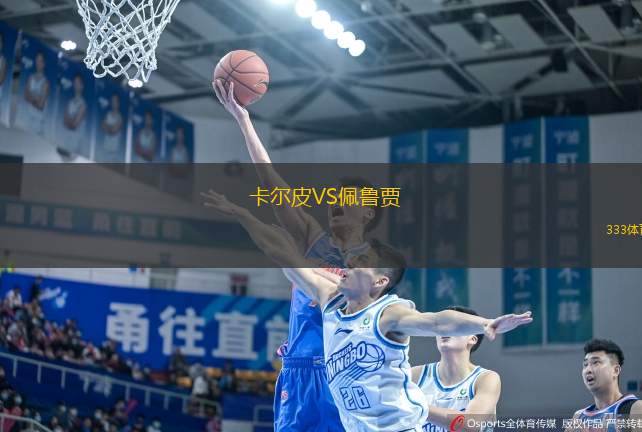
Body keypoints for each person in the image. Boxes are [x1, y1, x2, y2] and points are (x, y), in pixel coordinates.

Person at [202, 191, 532, 431]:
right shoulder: (330, 300)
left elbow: (436, 321)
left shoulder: (388, 315)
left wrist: (484, 323)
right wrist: (243, 215)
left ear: (380, 281)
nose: (348, 265)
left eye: (360, 262)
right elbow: (283, 255)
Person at [214, 79, 390, 431]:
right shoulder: (313, 238)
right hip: (296, 370)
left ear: (368, 213)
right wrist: (244, 121)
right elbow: (270, 180)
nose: (337, 203)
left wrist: (298, 262)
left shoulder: (373, 261)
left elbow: (354, 302)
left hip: (341, 371)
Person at [412, 306, 501, 432]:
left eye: (455, 327)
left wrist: (417, 407)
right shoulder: (414, 375)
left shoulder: (486, 379)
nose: (445, 330)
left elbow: (470, 425)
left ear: (472, 339)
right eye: (442, 326)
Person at [566, 339, 642, 432]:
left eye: (596, 362)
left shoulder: (638, 409)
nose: (588, 370)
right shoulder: (578, 417)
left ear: (615, 370)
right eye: (585, 365)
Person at [23, 51, 50, 135]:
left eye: (40, 61)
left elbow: (40, 105)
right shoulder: (30, 78)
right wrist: (36, 98)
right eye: (37, 60)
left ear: (44, 64)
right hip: (28, 119)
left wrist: (31, 97)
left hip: (38, 123)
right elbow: (25, 96)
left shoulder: (45, 83)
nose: (38, 63)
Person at [62, 74, 88, 154]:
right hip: (66, 141)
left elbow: (74, 125)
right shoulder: (70, 102)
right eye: (75, 83)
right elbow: (64, 121)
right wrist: (72, 119)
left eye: (78, 83)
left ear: (82, 86)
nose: (76, 85)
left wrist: (70, 120)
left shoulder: (83, 104)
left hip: (76, 145)